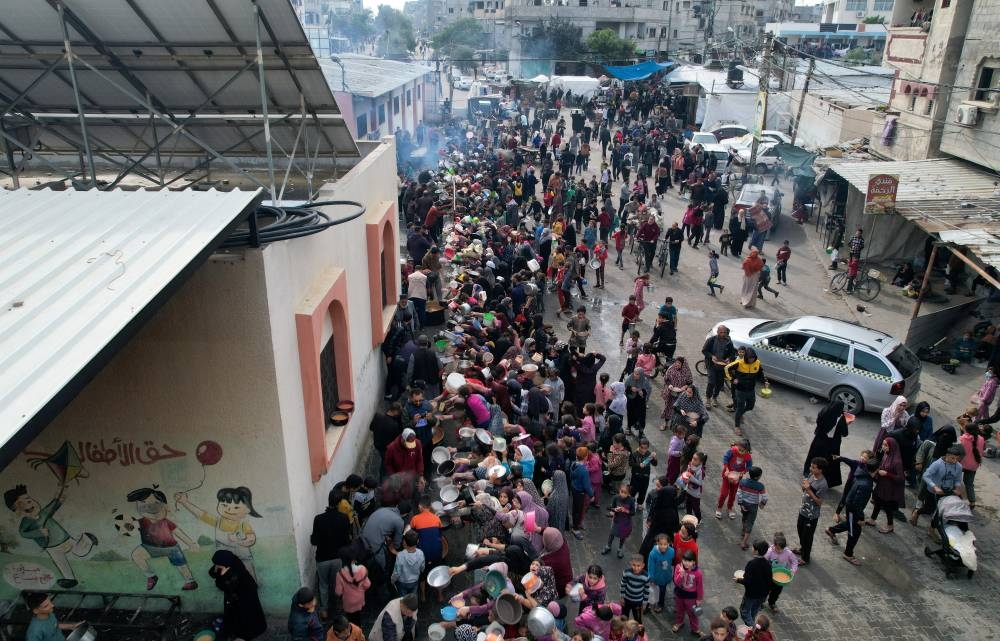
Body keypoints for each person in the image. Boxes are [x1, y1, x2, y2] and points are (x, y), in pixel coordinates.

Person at [826, 459, 878, 566]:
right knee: (855, 531)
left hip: (851, 508)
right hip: (853, 510)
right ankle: (848, 554)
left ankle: (832, 530)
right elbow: (857, 504)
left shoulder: (860, 475)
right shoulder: (866, 485)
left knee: (850, 525)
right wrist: (861, 518)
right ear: (876, 470)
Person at [310, 488, 353, 619]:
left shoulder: (318, 519)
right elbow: (347, 540)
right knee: (337, 583)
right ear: (340, 503)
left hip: (322, 558)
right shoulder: (344, 518)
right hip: (338, 558)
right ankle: (338, 604)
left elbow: (314, 541)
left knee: (323, 584)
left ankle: (324, 610)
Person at [209, 550, 267, 641]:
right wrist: (218, 571)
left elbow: (223, 586)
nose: (216, 566)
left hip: (244, 596)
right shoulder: (230, 561)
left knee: (245, 616)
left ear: (224, 563)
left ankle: (244, 636)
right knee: (237, 615)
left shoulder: (235, 573)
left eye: (218, 564)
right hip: (238, 594)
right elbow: (212, 572)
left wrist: (223, 575)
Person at [803, 400, 849, 488]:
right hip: (832, 444)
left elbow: (819, 421)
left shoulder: (824, 411)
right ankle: (828, 480)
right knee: (830, 460)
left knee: (813, 456)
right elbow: (844, 433)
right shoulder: (840, 417)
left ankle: (808, 473)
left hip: (819, 439)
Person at [866, 436, 904, 534]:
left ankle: (890, 526)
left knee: (887, 507)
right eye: (883, 444)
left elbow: (900, 478)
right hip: (882, 485)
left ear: (892, 447)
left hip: (890, 489)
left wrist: (887, 474)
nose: (883, 447)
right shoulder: (886, 454)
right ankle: (872, 519)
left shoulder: (897, 461)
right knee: (877, 502)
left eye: (886, 445)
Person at [793, 457, 827, 565]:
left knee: (807, 537)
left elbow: (819, 502)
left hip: (811, 515)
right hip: (803, 510)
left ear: (820, 470)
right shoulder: (811, 476)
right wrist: (804, 487)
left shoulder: (823, 484)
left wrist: (808, 489)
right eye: (811, 466)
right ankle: (803, 549)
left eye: (813, 467)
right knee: (800, 530)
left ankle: (805, 558)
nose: (811, 468)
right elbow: (805, 488)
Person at [725, 349, 765, 436]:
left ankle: (739, 414)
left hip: (751, 390)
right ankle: (737, 426)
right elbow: (726, 368)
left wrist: (764, 381)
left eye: (753, 358)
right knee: (740, 408)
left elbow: (760, 372)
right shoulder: (739, 363)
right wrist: (732, 379)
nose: (751, 360)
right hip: (740, 390)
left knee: (751, 406)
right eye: (750, 358)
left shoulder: (757, 363)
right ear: (746, 357)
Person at [735, 540, 771, 626]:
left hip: (751, 594)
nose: (752, 548)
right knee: (754, 610)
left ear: (756, 551)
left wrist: (738, 580)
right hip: (763, 595)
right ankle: (752, 623)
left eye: (753, 548)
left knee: (744, 612)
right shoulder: (768, 564)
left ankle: (753, 628)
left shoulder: (751, 564)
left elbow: (747, 581)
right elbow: (770, 580)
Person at [702, 325, 737, 408]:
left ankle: (715, 397)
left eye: (724, 332)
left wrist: (729, 358)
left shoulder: (729, 342)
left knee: (719, 383)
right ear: (717, 332)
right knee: (711, 382)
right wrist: (712, 356)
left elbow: (732, 353)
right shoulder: (711, 340)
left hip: (722, 366)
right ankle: (708, 399)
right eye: (721, 332)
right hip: (711, 364)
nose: (723, 334)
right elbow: (704, 351)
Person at [717, 439, 752, 520]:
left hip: (737, 477)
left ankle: (730, 507)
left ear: (747, 450)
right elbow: (725, 458)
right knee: (724, 493)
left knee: (733, 494)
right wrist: (726, 469)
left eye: (742, 450)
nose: (739, 451)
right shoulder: (732, 450)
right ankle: (719, 507)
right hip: (727, 475)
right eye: (739, 449)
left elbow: (749, 466)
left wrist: (743, 472)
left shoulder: (748, 456)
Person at [763, 532, 798, 612]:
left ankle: (772, 603)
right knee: (765, 589)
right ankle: (761, 601)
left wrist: (793, 570)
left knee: (776, 592)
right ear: (774, 545)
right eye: (777, 548)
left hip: (780, 578)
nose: (779, 551)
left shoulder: (788, 552)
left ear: (784, 547)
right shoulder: (770, 551)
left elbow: (794, 561)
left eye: (781, 549)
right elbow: (764, 560)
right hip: (769, 575)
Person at [672, 550, 704, 635]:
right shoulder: (678, 567)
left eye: (689, 561)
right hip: (679, 594)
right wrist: (681, 574)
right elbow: (676, 582)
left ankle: (695, 628)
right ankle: (679, 622)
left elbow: (700, 586)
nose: (686, 563)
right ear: (682, 560)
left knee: (692, 613)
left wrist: (699, 598)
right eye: (685, 560)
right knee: (679, 610)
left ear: (693, 561)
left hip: (691, 597)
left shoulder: (698, 573)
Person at [736, 467, 768, 551]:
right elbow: (765, 497)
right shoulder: (760, 486)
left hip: (744, 504)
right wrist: (762, 504)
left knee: (744, 517)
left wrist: (741, 504)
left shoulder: (743, 482)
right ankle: (744, 542)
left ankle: (743, 530)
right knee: (750, 522)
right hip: (753, 506)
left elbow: (739, 494)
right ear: (757, 477)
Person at [603, 483, 636, 559]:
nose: (623, 494)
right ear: (619, 491)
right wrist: (615, 509)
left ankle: (620, 549)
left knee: (623, 536)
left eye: (625, 493)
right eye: (621, 491)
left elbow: (633, 512)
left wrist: (626, 511)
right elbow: (610, 507)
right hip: (616, 520)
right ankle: (608, 546)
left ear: (629, 493)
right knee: (612, 533)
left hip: (626, 521)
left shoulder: (631, 500)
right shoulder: (616, 497)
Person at [392, 529, 424, 598]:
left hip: (402, 582)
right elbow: (422, 567)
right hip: (415, 580)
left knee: (403, 599)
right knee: (413, 597)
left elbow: (397, 572)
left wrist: (393, 580)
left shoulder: (400, 556)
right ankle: (414, 607)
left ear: (405, 543)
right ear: (417, 541)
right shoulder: (421, 553)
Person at [647, 533, 675, 614]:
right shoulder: (653, 554)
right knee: (653, 590)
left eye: (665, 544)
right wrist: (651, 578)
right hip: (656, 577)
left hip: (665, 576)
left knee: (662, 591)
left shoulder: (672, 551)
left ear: (669, 544)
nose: (663, 546)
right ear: (657, 543)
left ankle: (660, 604)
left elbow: (671, 563)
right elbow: (650, 566)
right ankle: (649, 604)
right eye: (661, 544)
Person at [960, 423, 985, 509]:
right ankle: (972, 502)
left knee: (956, 481)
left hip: (961, 464)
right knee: (969, 484)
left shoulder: (962, 438)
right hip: (974, 465)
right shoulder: (981, 439)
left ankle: (956, 497)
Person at [619, 554, 650, 623]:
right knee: (624, 618)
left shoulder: (646, 576)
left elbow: (647, 591)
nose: (636, 568)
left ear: (643, 565)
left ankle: (639, 633)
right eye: (634, 565)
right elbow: (623, 584)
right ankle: (624, 631)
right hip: (626, 600)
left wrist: (644, 603)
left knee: (638, 619)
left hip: (638, 602)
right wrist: (622, 597)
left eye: (638, 566)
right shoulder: (626, 573)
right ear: (630, 564)